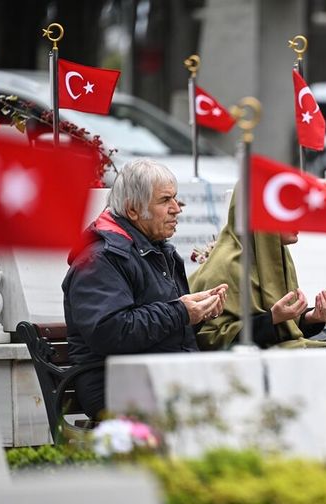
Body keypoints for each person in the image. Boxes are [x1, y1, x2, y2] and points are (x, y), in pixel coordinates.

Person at [63, 159, 228, 419]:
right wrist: (180, 312)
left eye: (175, 199)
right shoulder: (100, 259)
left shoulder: (160, 251)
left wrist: (198, 312)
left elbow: (165, 328)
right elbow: (111, 331)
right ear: (132, 210)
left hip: (162, 376)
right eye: (165, 201)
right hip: (118, 386)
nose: (177, 209)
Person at [188, 186, 326, 350]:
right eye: (288, 211)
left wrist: (312, 318)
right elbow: (209, 340)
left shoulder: (276, 252)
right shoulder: (225, 266)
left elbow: (285, 328)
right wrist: (272, 318)